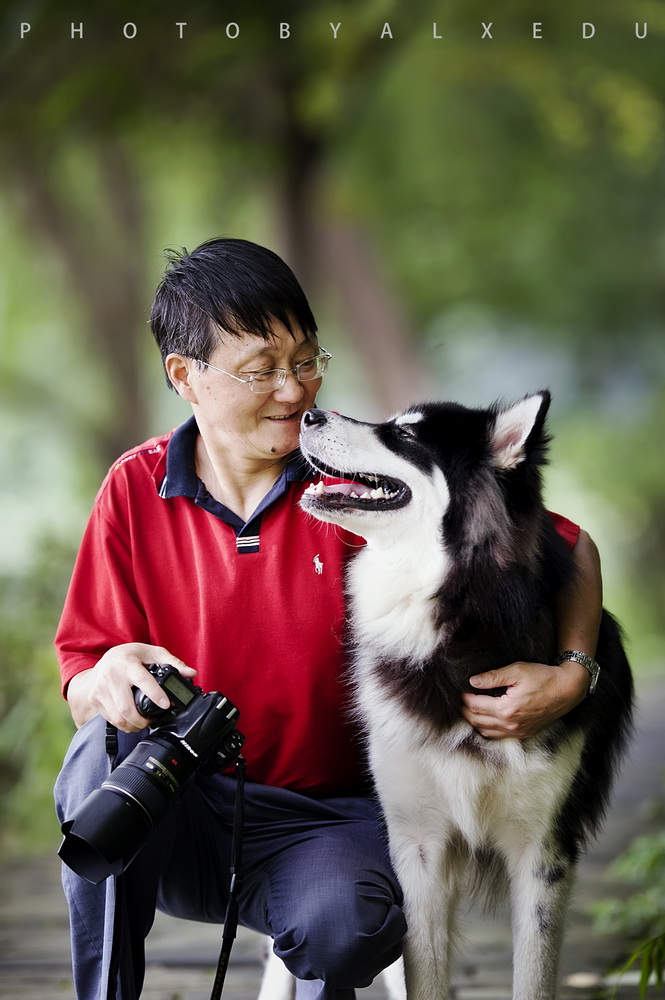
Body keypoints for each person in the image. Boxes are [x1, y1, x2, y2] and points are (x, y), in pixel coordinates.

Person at [54, 237, 602, 1000]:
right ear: (185, 377)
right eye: (261, 370)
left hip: (323, 827)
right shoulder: (134, 489)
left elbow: (568, 547)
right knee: (96, 755)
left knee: (348, 922)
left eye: (306, 361)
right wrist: (105, 676)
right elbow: (81, 671)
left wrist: (572, 676)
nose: (292, 391)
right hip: (182, 807)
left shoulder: (356, 488)